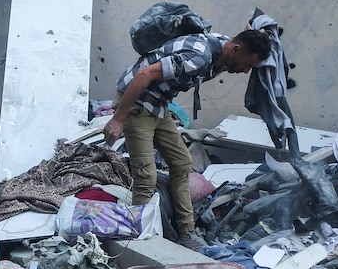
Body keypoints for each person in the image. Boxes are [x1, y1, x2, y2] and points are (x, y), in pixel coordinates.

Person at [103, 29, 272, 250]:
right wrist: (118, 119)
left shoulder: (223, 50)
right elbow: (144, 75)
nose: (245, 71)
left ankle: (186, 232)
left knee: (181, 164)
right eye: (246, 64)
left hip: (158, 105)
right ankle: (139, 242)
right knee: (146, 175)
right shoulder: (199, 57)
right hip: (137, 104)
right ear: (236, 49)